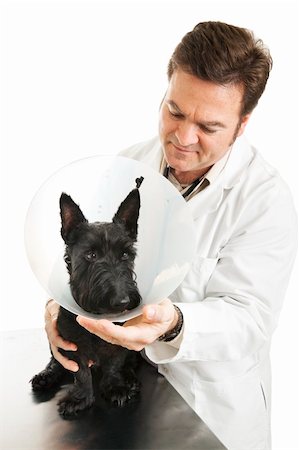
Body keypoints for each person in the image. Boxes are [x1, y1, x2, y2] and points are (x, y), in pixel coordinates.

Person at [45, 21, 297, 450]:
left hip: (209, 411)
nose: (181, 138)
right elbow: (83, 249)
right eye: (174, 111)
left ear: (242, 123)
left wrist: (173, 324)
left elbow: (250, 318)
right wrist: (58, 305)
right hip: (118, 385)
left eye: (209, 127)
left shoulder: (265, 200)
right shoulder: (130, 163)